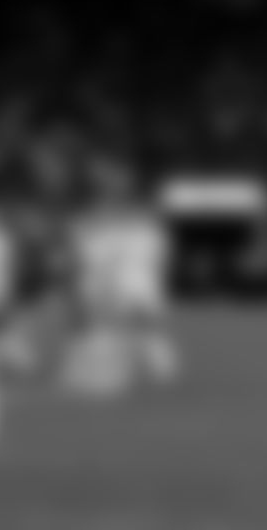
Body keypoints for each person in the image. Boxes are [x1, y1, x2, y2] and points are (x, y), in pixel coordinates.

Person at [65, 155, 176, 395]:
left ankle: (153, 350)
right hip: (102, 242)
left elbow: (145, 220)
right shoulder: (87, 204)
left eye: (111, 173)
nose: (107, 179)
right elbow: (83, 227)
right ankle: (94, 356)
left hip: (129, 243)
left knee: (134, 295)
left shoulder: (138, 209)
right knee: (93, 299)